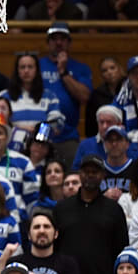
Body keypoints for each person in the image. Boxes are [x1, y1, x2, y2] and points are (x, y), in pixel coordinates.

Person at [53, 154, 129, 274]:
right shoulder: (61, 208)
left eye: (95, 172)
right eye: (86, 171)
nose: (90, 175)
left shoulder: (114, 209)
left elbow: (121, 248)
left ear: (103, 175)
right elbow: (54, 247)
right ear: (80, 174)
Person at [38, 22, 92, 167]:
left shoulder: (80, 68)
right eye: (54, 39)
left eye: (63, 39)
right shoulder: (37, 66)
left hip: (68, 135)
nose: (59, 42)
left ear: (69, 43)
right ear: (48, 43)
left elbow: (84, 96)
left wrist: (63, 72)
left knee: (73, 178)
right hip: (41, 133)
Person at [0, 53, 64, 136]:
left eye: (30, 67)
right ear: (17, 71)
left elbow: (57, 124)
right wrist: (21, 129)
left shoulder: (49, 96)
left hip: (41, 145)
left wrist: (38, 133)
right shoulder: (4, 96)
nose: (26, 71)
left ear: (36, 70)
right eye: (22, 67)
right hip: (11, 146)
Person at [72, 105, 138, 171]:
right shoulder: (85, 145)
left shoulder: (130, 145)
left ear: (119, 124)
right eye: (101, 122)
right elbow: (76, 171)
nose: (104, 126)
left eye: (109, 122)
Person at [85, 57, 126, 137]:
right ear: (102, 75)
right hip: (104, 138)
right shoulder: (96, 95)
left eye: (112, 68)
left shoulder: (131, 90)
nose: (109, 72)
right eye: (105, 70)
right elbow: (90, 124)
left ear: (120, 69)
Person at [101, 125, 136, 199]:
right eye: (110, 140)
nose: (114, 144)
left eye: (119, 140)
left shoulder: (137, 168)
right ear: (104, 144)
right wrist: (102, 198)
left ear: (127, 144)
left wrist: (125, 198)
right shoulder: (97, 169)